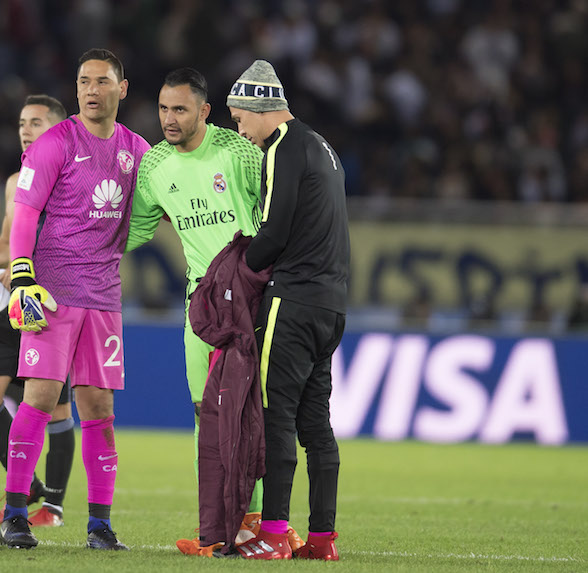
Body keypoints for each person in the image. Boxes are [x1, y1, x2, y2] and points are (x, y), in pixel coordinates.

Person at [0, 48, 150, 551]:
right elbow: (25, 213)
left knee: (99, 407)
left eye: (102, 81)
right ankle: (16, 514)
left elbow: (163, 202)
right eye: (83, 81)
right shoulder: (54, 143)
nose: (90, 90)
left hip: (104, 297)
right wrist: (22, 276)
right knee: (40, 398)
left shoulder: (137, 150)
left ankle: (100, 526)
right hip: (53, 294)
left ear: (121, 89)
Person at [125, 68, 269, 555]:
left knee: (250, 416)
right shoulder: (154, 166)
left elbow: (276, 216)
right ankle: (213, 530)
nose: (168, 118)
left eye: (180, 109)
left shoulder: (241, 154)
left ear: (205, 111)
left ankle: (253, 526)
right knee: (203, 417)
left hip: (251, 303)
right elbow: (136, 230)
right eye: (163, 108)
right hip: (199, 308)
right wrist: (70, 242)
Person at [226, 60, 350, 560]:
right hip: (331, 306)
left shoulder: (282, 148)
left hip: (293, 301)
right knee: (316, 424)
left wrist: (238, 268)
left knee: (274, 416)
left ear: (261, 110)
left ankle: (274, 532)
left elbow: (273, 232)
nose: (241, 130)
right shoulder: (323, 147)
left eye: (240, 120)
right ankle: (321, 539)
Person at [0, 95, 74, 527]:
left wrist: (30, 268)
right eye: (22, 123)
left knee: (56, 410)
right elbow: (9, 239)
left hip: (49, 304)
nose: (26, 130)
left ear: (58, 130)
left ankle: (53, 509)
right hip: (12, 304)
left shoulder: (70, 178)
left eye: (37, 123)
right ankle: (26, 487)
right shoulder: (14, 181)